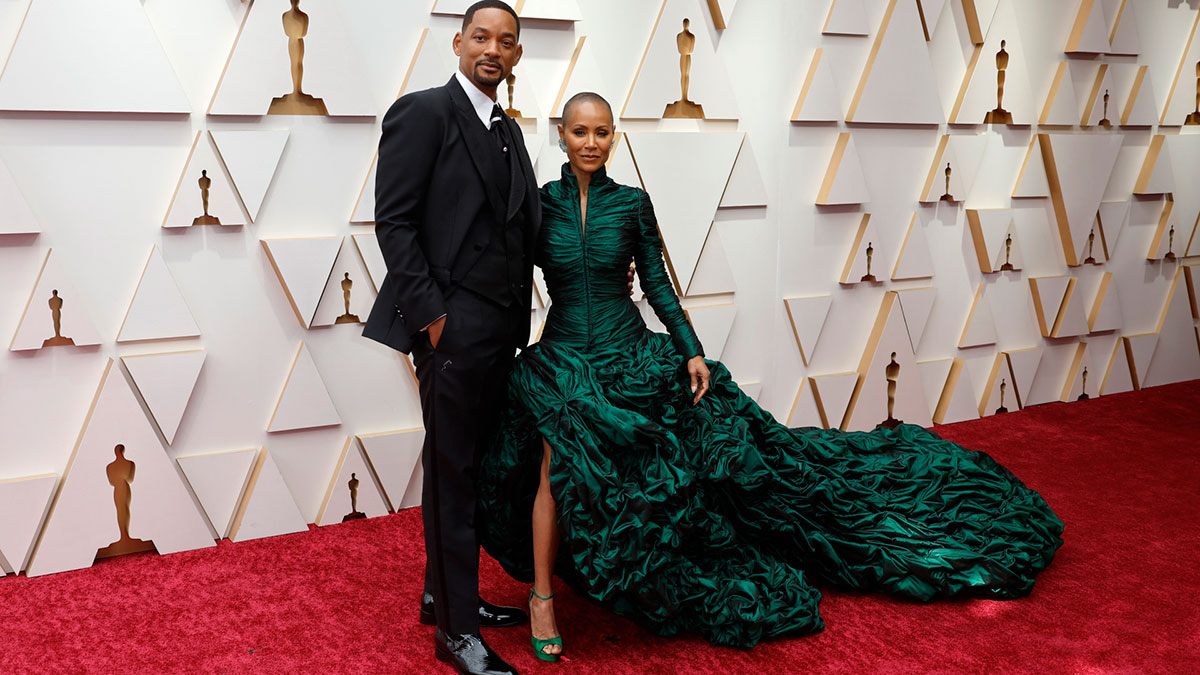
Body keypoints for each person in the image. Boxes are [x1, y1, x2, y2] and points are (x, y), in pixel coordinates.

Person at [476, 93, 1065, 657]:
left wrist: (691, 350)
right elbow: (504, 274)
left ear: (615, 137)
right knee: (556, 466)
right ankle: (543, 599)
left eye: (602, 131)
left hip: (628, 352)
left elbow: (656, 283)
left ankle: (643, 570)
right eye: (580, 131)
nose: (591, 142)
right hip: (562, 361)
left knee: (671, 470)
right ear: (561, 135)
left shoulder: (631, 203)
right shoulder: (539, 203)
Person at [362, 3, 538, 674]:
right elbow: (394, 223)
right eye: (482, 37)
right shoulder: (424, 112)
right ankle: (458, 634)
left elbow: (524, 230)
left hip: (501, 332)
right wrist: (434, 319)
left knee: (460, 465)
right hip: (453, 330)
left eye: (507, 42)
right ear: (459, 42)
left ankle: (443, 595)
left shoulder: (509, 131)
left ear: (517, 55)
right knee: (456, 474)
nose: (493, 49)